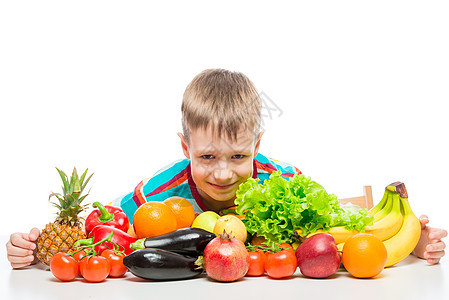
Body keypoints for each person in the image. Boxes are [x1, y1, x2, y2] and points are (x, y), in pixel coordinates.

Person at [6, 69, 447, 269]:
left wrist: (409, 243)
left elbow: (342, 224)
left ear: (257, 144)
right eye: (207, 157)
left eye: (238, 156)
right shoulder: (156, 195)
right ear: (185, 147)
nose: (222, 173)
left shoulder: (285, 181)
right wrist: (38, 249)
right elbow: (102, 233)